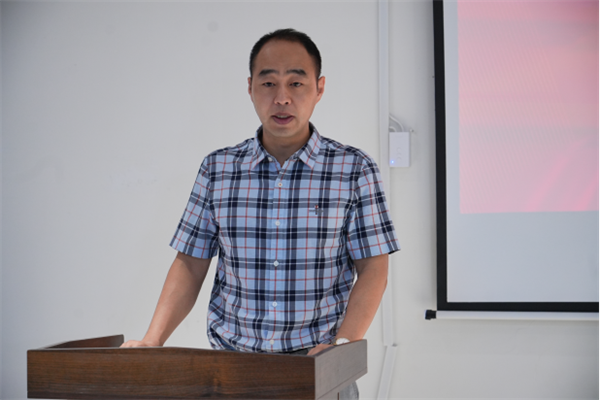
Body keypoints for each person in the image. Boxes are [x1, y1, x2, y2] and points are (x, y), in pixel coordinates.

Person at [121, 28, 400, 399]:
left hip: (318, 368)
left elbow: (374, 267)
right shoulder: (218, 169)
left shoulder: (354, 169)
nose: (282, 98)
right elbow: (190, 262)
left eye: (296, 83)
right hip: (231, 370)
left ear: (319, 88)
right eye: (269, 83)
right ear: (251, 88)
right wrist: (153, 340)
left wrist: (342, 345)